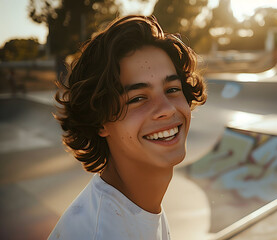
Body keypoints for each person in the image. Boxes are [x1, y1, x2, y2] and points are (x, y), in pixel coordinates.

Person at [49, 15, 207, 240]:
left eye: (172, 89)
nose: (167, 109)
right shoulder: (104, 233)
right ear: (100, 121)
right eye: (138, 98)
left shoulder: (137, 208)